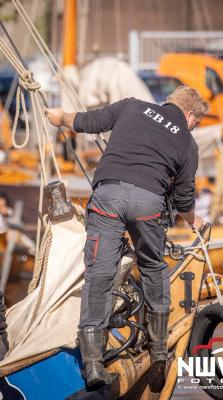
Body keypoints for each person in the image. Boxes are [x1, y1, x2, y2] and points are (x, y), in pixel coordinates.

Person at [45, 86, 207, 388]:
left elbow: (87, 121)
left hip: (108, 195)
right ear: (189, 115)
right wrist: (193, 219)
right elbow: (184, 197)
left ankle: (93, 363)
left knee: (100, 275)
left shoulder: (132, 106)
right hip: (149, 204)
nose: (194, 129)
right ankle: (159, 352)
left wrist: (59, 117)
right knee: (153, 269)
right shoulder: (187, 142)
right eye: (196, 124)